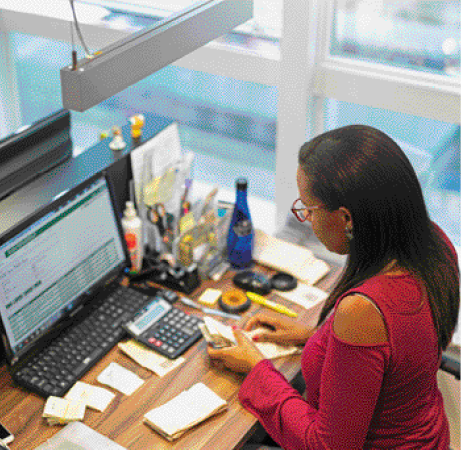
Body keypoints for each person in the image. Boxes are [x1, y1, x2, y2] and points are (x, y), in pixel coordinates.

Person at [207, 125, 459, 450]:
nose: (307, 220)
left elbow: (328, 446)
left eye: (309, 210)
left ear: (346, 218)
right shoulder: (435, 246)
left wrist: (257, 369)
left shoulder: (364, 310)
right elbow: (394, 356)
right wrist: (312, 338)